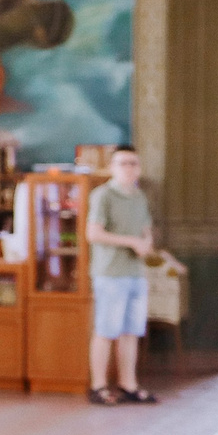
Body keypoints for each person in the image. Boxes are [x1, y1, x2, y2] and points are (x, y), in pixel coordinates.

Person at [85, 144, 158, 405]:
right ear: (112, 167)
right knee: (106, 330)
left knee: (131, 331)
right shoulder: (102, 195)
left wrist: (146, 242)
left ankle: (128, 383)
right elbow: (93, 234)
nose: (129, 168)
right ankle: (98, 385)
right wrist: (130, 242)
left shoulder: (139, 197)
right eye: (123, 163)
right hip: (110, 273)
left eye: (133, 163)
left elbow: (146, 228)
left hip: (136, 273)